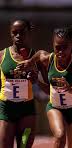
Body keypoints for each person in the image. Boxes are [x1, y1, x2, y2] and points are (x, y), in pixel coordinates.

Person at [18, 27, 72, 148]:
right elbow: (40, 53)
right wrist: (29, 62)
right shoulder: (48, 59)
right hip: (55, 107)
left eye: (64, 47)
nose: (60, 52)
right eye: (57, 47)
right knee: (60, 136)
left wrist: (71, 90)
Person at [0, 19, 38, 148]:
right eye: (14, 32)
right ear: (10, 33)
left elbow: (47, 84)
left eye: (22, 32)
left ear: (28, 33)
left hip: (26, 110)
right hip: (6, 109)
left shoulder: (35, 56)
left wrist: (35, 79)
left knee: (24, 146)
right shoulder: (2, 55)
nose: (18, 36)